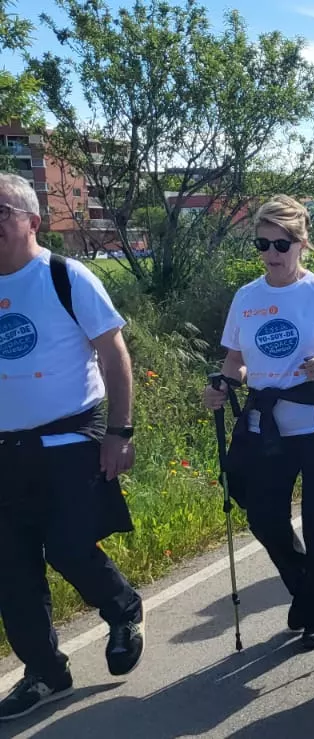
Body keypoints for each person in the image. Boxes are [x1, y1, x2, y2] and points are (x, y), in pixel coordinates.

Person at [0, 173, 144, 722]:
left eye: (0, 212)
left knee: (69, 546)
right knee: (11, 570)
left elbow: (114, 354)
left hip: (69, 439)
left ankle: (123, 609)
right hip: (5, 452)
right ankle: (46, 673)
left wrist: (119, 432)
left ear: (31, 220)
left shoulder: (64, 276)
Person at [202, 195, 314, 651]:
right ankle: (306, 590)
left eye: (281, 243)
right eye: (262, 243)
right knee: (263, 516)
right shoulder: (247, 298)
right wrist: (222, 386)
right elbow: (235, 361)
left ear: (301, 243)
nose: (271, 253)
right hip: (267, 426)